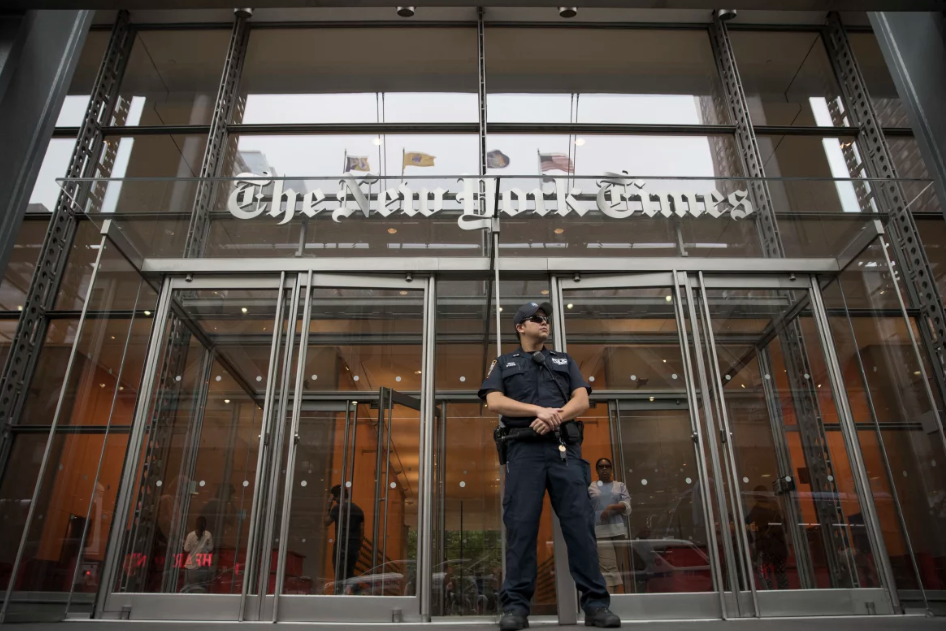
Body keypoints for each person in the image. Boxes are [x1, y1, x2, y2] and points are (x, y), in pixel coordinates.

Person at [479, 301, 620, 630]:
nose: (545, 323)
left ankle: (596, 605)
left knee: (580, 528)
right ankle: (516, 608)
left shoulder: (563, 360)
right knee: (521, 529)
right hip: (524, 453)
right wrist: (536, 411)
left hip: (564, 452)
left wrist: (553, 415)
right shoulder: (505, 362)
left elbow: (581, 399)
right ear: (520, 327)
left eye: (546, 319)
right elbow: (493, 401)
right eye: (537, 319)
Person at [588, 457, 632, 593]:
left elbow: (627, 507)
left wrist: (611, 507)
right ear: (597, 470)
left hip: (618, 530)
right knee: (608, 567)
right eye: (601, 467)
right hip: (600, 531)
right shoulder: (592, 487)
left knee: (615, 568)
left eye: (607, 466)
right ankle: (610, 599)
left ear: (611, 469)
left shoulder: (620, 486)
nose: (604, 469)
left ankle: (613, 599)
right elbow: (586, 508)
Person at [745, 485, 789, 590]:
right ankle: (784, 593)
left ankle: (770, 594)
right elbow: (785, 528)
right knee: (781, 574)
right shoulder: (777, 509)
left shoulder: (755, 512)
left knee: (764, 574)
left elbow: (751, 529)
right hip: (780, 547)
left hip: (764, 548)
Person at [324, 484, 365, 592]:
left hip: (341, 545)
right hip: (353, 548)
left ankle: (340, 597)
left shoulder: (338, 508)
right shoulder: (358, 510)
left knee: (340, 576)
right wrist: (358, 548)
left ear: (336, 497)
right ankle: (357, 592)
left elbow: (326, 522)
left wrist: (328, 506)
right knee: (349, 574)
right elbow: (361, 533)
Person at [183, 516, 214, 592]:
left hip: (190, 567)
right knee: (201, 590)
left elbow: (186, 549)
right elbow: (210, 548)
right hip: (202, 567)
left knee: (188, 590)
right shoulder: (208, 535)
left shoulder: (190, 535)